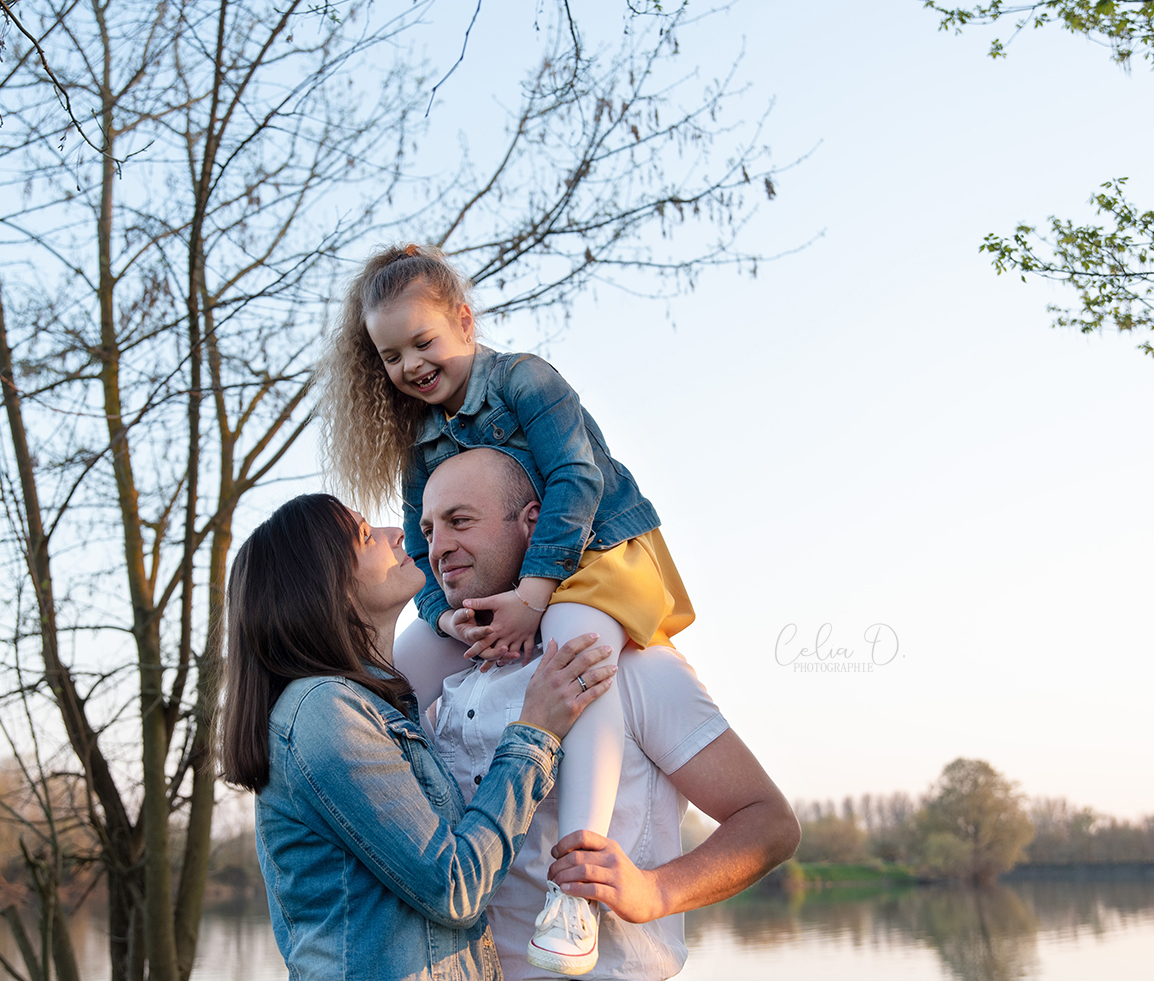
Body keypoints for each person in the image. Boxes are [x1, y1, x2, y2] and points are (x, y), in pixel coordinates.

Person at [321, 243, 694, 973]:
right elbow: (427, 553)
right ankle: (401, 841)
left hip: (597, 555)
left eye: (423, 342)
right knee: (411, 658)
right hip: (507, 587)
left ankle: (576, 890)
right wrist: (444, 615)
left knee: (572, 643)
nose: (411, 366)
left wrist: (532, 595)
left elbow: (573, 478)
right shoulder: (420, 441)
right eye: (391, 356)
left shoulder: (524, 379)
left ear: (463, 321)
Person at [420, 449, 801, 980]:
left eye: (459, 521)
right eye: (430, 528)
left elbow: (769, 822)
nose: (438, 547)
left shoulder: (629, 666)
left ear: (534, 524)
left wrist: (656, 890)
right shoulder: (449, 686)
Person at [219, 493, 618, 981]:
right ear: (323, 583)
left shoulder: (377, 707)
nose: (397, 535)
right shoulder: (324, 711)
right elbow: (455, 886)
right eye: (365, 535)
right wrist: (535, 732)